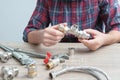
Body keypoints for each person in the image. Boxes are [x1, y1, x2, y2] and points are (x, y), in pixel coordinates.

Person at [23, 0, 120, 50]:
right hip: (59, 54)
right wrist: (41, 36)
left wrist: (104, 39)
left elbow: (118, 28)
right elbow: (28, 33)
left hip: (94, 52)